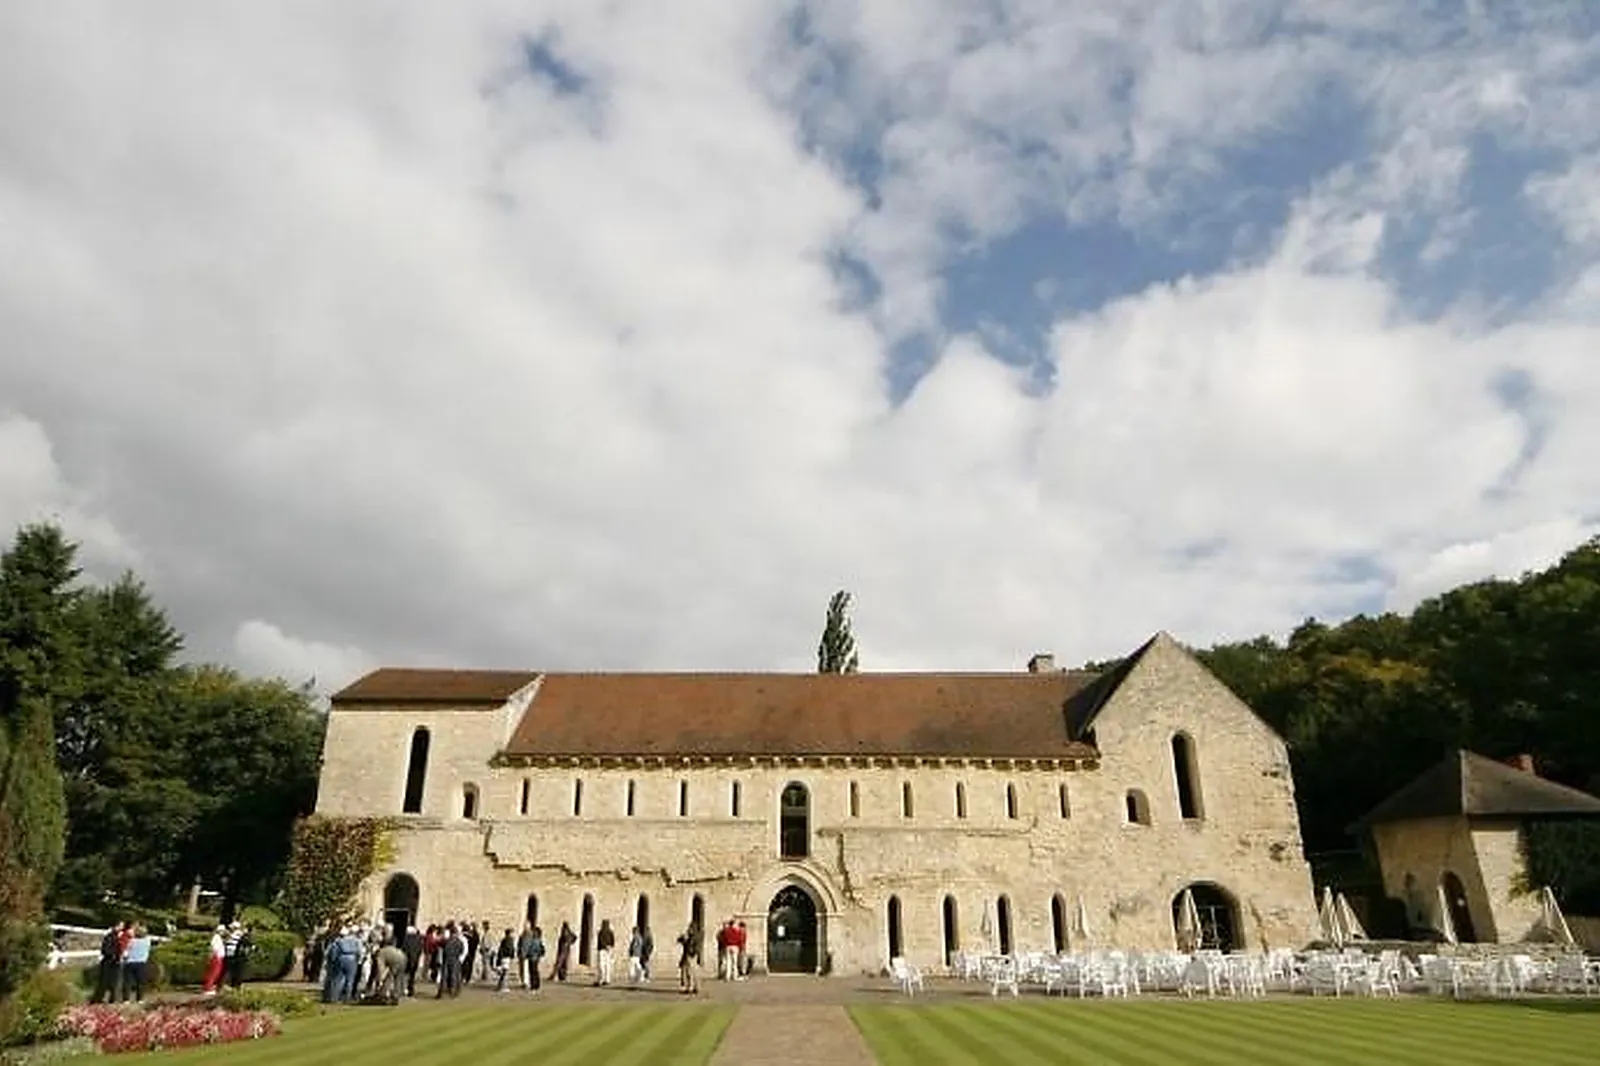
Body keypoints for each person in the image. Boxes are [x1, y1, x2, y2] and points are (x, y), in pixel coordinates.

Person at [92, 923, 124, 1004]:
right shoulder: (109, 937)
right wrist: (113, 954)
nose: (121, 928)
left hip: (115, 962)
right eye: (120, 926)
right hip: (109, 961)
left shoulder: (118, 937)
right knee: (104, 982)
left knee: (114, 982)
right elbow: (105, 950)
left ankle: (112, 999)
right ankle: (98, 999)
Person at [121, 926, 152, 1002]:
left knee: (127, 982)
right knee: (140, 982)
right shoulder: (147, 941)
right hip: (141, 963)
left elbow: (126, 951)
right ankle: (140, 999)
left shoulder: (131, 941)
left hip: (130, 962)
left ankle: (126, 999)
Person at [201, 924, 228, 995]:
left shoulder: (218, 938)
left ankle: (210, 986)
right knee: (213, 973)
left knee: (216, 973)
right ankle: (207, 988)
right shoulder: (216, 938)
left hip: (219, 957)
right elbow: (214, 948)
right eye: (222, 931)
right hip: (216, 957)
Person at [677, 921, 702, 995]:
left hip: (691, 955)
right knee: (690, 971)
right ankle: (694, 987)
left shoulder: (694, 936)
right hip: (689, 954)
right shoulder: (691, 936)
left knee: (690, 972)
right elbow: (682, 941)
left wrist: (692, 953)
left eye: (690, 928)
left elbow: (694, 946)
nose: (688, 929)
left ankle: (691, 987)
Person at [594, 919, 616, 986]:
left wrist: (606, 946)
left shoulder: (601, 932)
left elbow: (600, 941)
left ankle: (602, 979)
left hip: (602, 950)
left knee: (602, 965)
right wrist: (610, 946)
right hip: (608, 950)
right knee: (607, 965)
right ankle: (606, 979)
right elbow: (613, 941)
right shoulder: (610, 932)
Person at [494, 928, 516, 992]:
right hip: (505, 957)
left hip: (503, 957)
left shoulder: (505, 939)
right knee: (505, 972)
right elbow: (510, 949)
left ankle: (500, 986)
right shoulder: (509, 940)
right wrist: (512, 955)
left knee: (504, 972)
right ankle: (503, 987)